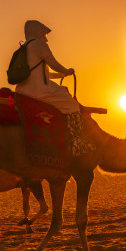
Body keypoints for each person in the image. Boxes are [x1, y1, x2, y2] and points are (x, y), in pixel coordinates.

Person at [14, 20, 92, 156]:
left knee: (61, 92)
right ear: (37, 32)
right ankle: (77, 143)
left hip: (22, 90)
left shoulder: (24, 47)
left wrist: (60, 74)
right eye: (44, 34)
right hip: (38, 91)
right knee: (72, 104)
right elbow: (54, 63)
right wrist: (67, 71)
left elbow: (41, 73)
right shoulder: (39, 45)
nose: (46, 38)